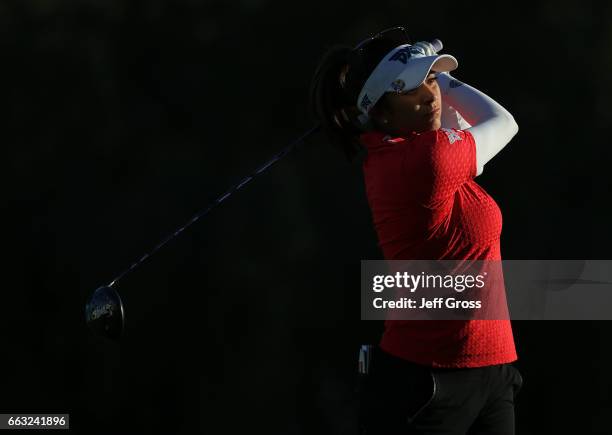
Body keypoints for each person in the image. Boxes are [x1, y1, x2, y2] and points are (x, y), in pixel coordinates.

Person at [309, 27, 523, 434]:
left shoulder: (419, 144)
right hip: (425, 382)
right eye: (410, 89)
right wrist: (442, 77)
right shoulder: (425, 159)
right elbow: (503, 122)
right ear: (383, 112)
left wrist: (420, 72)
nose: (429, 96)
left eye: (430, 81)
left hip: (493, 372)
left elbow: (461, 119)